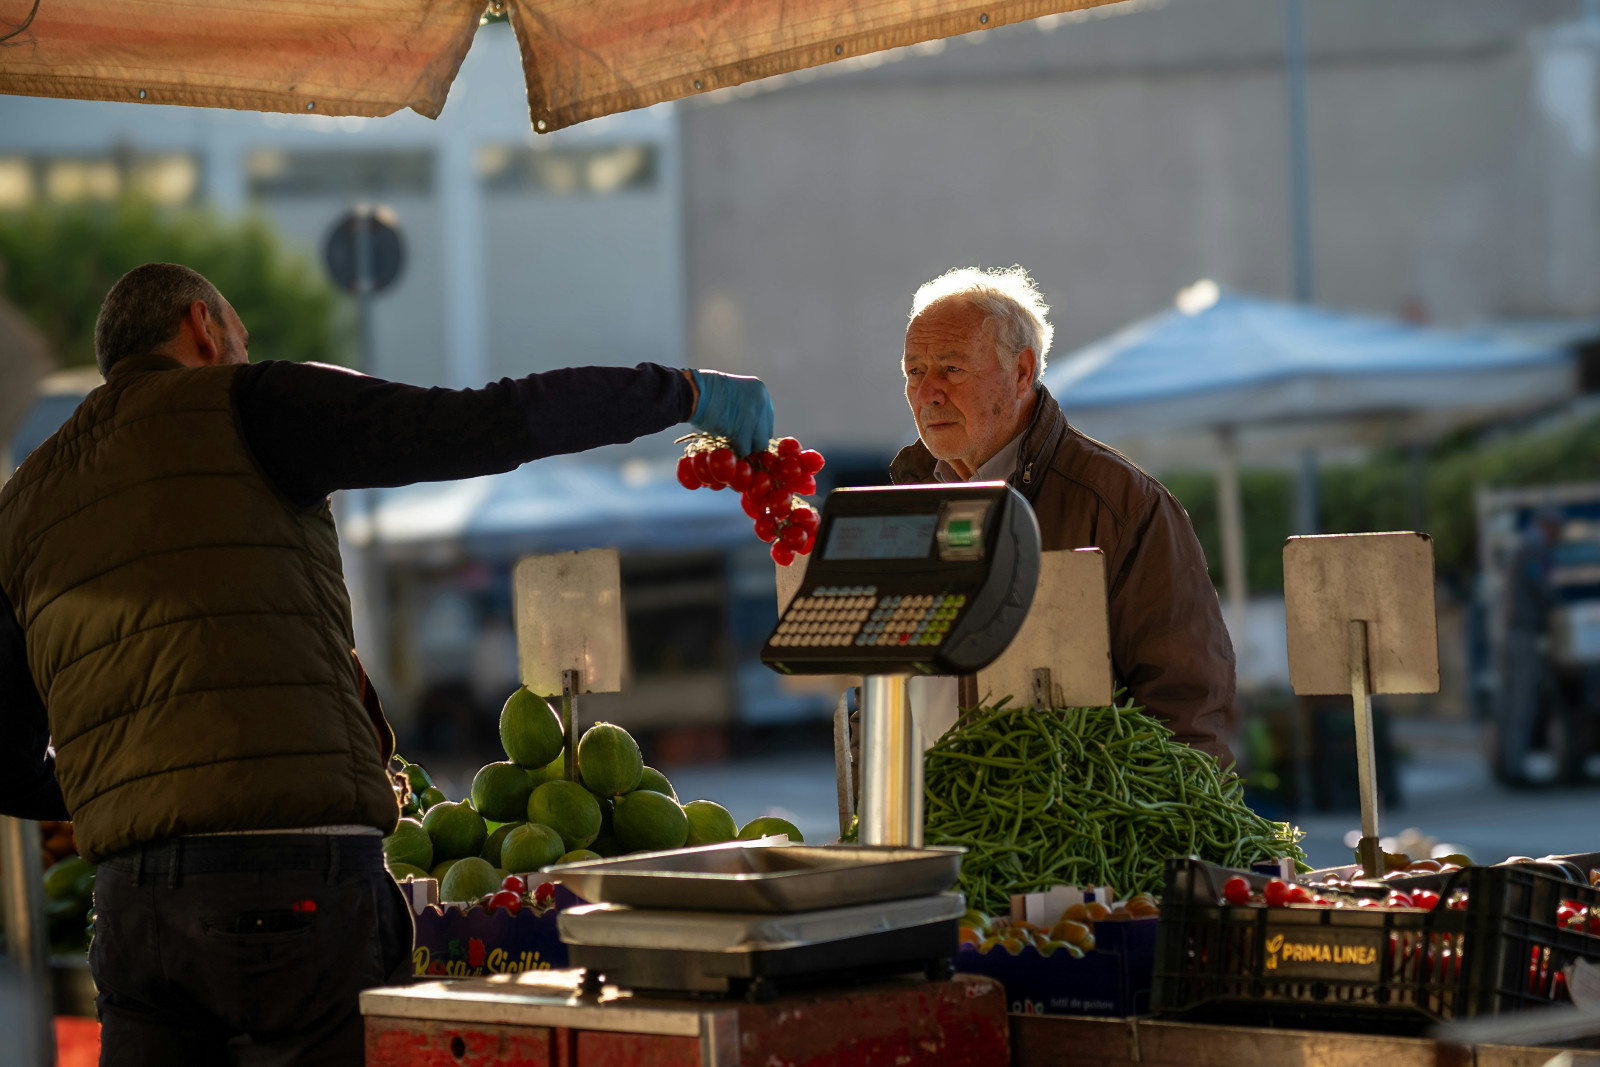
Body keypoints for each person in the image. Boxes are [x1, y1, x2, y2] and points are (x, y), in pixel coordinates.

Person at [0, 262, 773, 1065]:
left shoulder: (24, 501)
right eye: (240, 338)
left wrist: (122, 785)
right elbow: (487, 422)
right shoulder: (252, 405)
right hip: (293, 887)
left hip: (132, 913)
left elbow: (3, 756)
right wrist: (682, 392)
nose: (243, 352)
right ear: (203, 327)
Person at [892, 266, 1236, 761]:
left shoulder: (1122, 504)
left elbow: (1187, 702)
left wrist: (1151, 832)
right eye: (914, 372)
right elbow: (877, 683)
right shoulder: (899, 506)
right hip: (924, 826)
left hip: (1071, 831)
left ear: (1022, 372)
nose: (928, 393)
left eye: (951, 368)